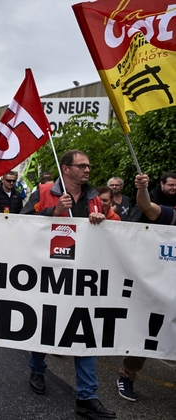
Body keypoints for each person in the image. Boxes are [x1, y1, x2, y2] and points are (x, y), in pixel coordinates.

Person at [21, 150, 115, 419]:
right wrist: (54, 212)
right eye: (82, 166)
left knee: (84, 330)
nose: (87, 170)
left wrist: (102, 222)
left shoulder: (94, 197)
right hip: (48, 272)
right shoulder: (43, 192)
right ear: (66, 169)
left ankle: (88, 396)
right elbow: (19, 223)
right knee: (45, 324)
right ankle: (37, 368)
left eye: (89, 165)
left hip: (82, 273)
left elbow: (113, 232)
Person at [115, 174, 176, 402]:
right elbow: (147, 206)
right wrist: (142, 189)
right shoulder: (172, 215)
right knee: (149, 332)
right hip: (160, 285)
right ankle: (127, 376)